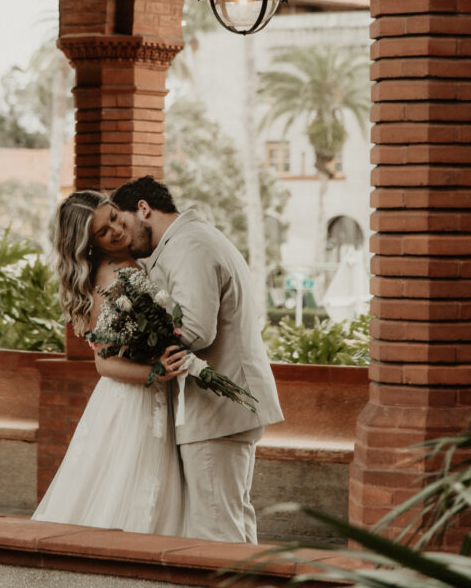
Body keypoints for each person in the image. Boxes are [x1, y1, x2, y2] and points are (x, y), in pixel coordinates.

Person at [111, 176, 284, 544]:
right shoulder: (191, 238)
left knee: (216, 531)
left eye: (123, 224)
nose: (123, 237)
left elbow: (195, 329)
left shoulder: (189, 245)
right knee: (230, 521)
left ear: (144, 209)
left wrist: (132, 345)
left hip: (216, 411)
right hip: (222, 409)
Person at [32, 190, 187, 535]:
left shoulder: (135, 261)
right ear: (91, 243)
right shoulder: (110, 278)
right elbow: (104, 363)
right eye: (104, 231)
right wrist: (156, 371)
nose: (116, 230)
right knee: (126, 490)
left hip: (153, 396)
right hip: (130, 404)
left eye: (114, 217)